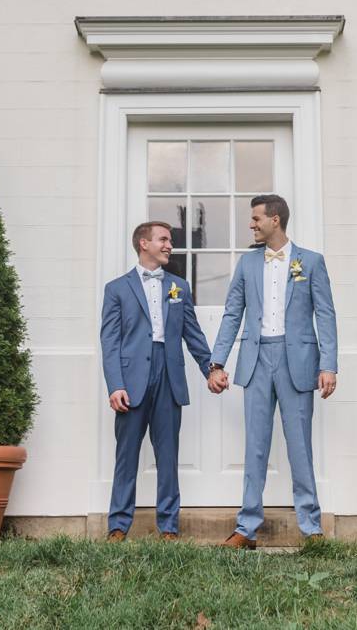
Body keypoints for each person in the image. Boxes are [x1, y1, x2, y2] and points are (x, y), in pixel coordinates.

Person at [207, 194, 338, 548]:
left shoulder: (311, 262)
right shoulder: (247, 264)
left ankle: (311, 528)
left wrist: (328, 364)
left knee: (300, 447)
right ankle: (246, 528)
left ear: (275, 219)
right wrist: (216, 362)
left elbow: (325, 314)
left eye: (255, 218)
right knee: (256, 448)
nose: (251, 224)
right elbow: (233, 313)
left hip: (298, 362)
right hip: (256, 360)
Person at [99, 220, 214, 541]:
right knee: (127, 456)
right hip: (131, 380)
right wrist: (115, 385)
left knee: (168, 455)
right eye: (163, 239)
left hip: (169, 375)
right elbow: (110, 341)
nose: (169, 245)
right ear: (143, 244)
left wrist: (211, 369)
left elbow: (193, 334)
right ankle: (118, 526)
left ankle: (168, 527)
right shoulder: (116, 289)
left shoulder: (180, 287)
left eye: (169, 240)